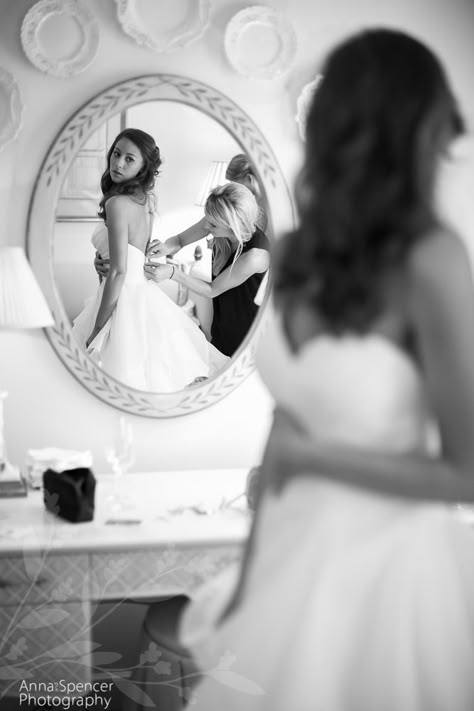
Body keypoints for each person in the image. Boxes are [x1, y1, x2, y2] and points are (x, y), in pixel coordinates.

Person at [176, 28, 474, 711]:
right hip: (290, 551)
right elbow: (286, 429)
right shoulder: (302, 249)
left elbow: (468, 467)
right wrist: (248, 591)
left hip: (390, 584)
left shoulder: (434, 258)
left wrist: (319, 462)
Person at [72, 128, 228, 392]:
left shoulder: (117, 203)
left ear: (144, 167)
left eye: (129, 159)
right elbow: (128, 257)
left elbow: (120, 272)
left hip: (122, 296)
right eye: (116, 154)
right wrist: (99, 260)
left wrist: (99, 328)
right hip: (136, 292)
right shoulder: (144, 201)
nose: (118, 163)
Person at [145, 182, 270, 357]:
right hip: (222, 328)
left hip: (245, 339)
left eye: (213, 225)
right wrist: (166, 246)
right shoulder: (216, 220)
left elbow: (212, 290)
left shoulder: (255, 256)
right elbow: (180, 240)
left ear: (233, 225)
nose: (206, 227)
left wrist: (172, 273)